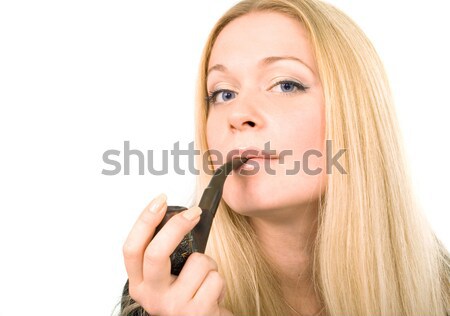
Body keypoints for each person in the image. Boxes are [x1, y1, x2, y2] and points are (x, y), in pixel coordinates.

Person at [118, 0, 450, 315]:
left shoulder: (442, 293)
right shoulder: (165, 295)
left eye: (286, 85)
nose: (238, 114)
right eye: (223, 93)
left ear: (355, 113)